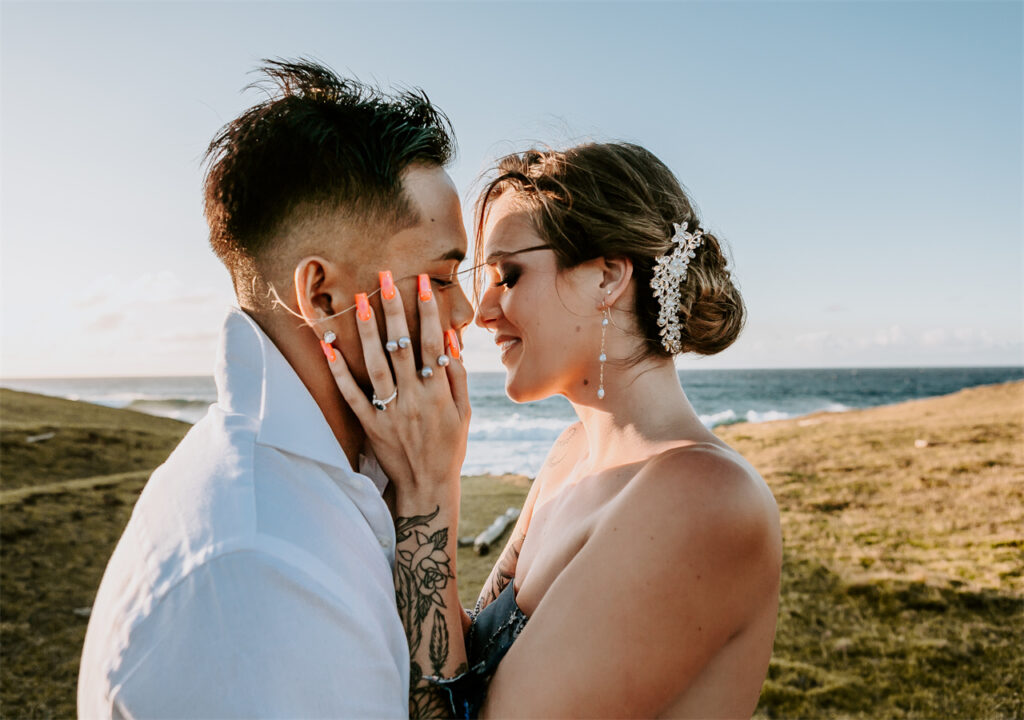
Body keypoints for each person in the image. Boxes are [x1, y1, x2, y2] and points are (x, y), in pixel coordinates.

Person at [77, 59, 474, 718]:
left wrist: (426, 494)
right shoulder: (259, 569)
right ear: (321, 296)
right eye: (439, 279)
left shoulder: (334, 480)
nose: (463, 314)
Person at [331, 142, 783, 718]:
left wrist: (430, 492)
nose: (481, 309)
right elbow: (465, 663)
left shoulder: (702, 498)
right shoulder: (571, 455)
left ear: (606, 277)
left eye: (508, 274)